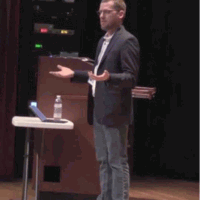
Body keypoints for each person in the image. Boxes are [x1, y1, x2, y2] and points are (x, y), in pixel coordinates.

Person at [49, 0, 140, 199]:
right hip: (100, 110)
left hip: (116, 112)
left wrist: (110, 77)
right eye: (100, 12)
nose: (101, 16)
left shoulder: (127, 40)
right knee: (103, 160)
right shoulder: (103, 41)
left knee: (117, 161)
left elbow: (130, 78)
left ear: (121, 14)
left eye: (107, 12)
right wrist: (74, 73)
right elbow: (96, 76)